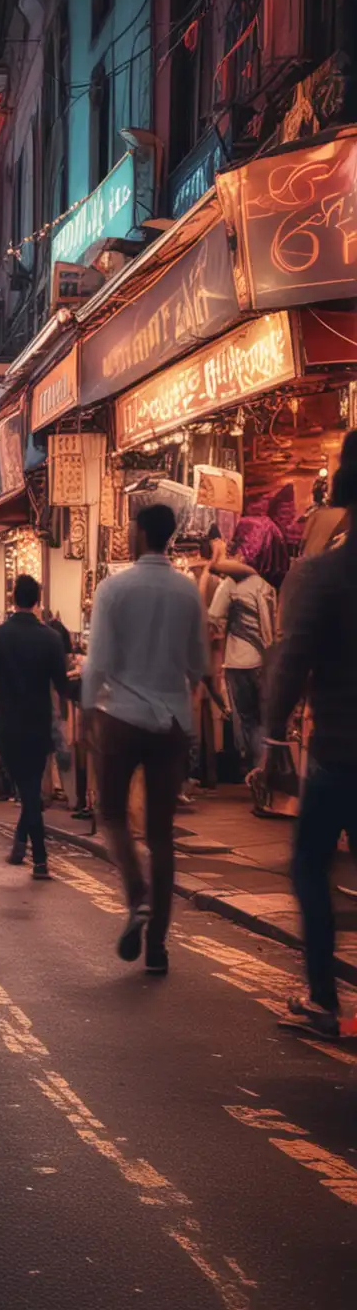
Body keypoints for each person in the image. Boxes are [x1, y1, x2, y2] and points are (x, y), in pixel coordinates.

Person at [81, 503, 208, 975]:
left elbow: (99, 662)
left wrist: (88, 710)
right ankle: (157, 947)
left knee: (112, 812)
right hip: (172, 721)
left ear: (139, 533)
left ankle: (136, 897)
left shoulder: (114, 588)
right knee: (161, 834)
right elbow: (198, 665)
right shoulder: (188, 591)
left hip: (122, 716)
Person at [266, 431, 357, 1036]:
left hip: (340, 753)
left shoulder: (325, 573)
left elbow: (291, 661)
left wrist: (273, 735)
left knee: (309, 867)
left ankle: (324, 1000)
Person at [0, 574, 69, 883]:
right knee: (30, 788)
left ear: (13, 598)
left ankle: (24, 849)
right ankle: (37, 857)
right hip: (39, 724)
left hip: (8, 725)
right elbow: (64, 685)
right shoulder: (51, 639)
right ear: (38, 600)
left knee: (26, 789)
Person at [209, 559, 277, 779]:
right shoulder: (266, 586)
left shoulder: (230, 585)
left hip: (238, 661)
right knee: (264, 718)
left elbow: (213, 618)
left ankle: (259, 773)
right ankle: (267, 771)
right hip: (264, 661)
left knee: (247, 720)